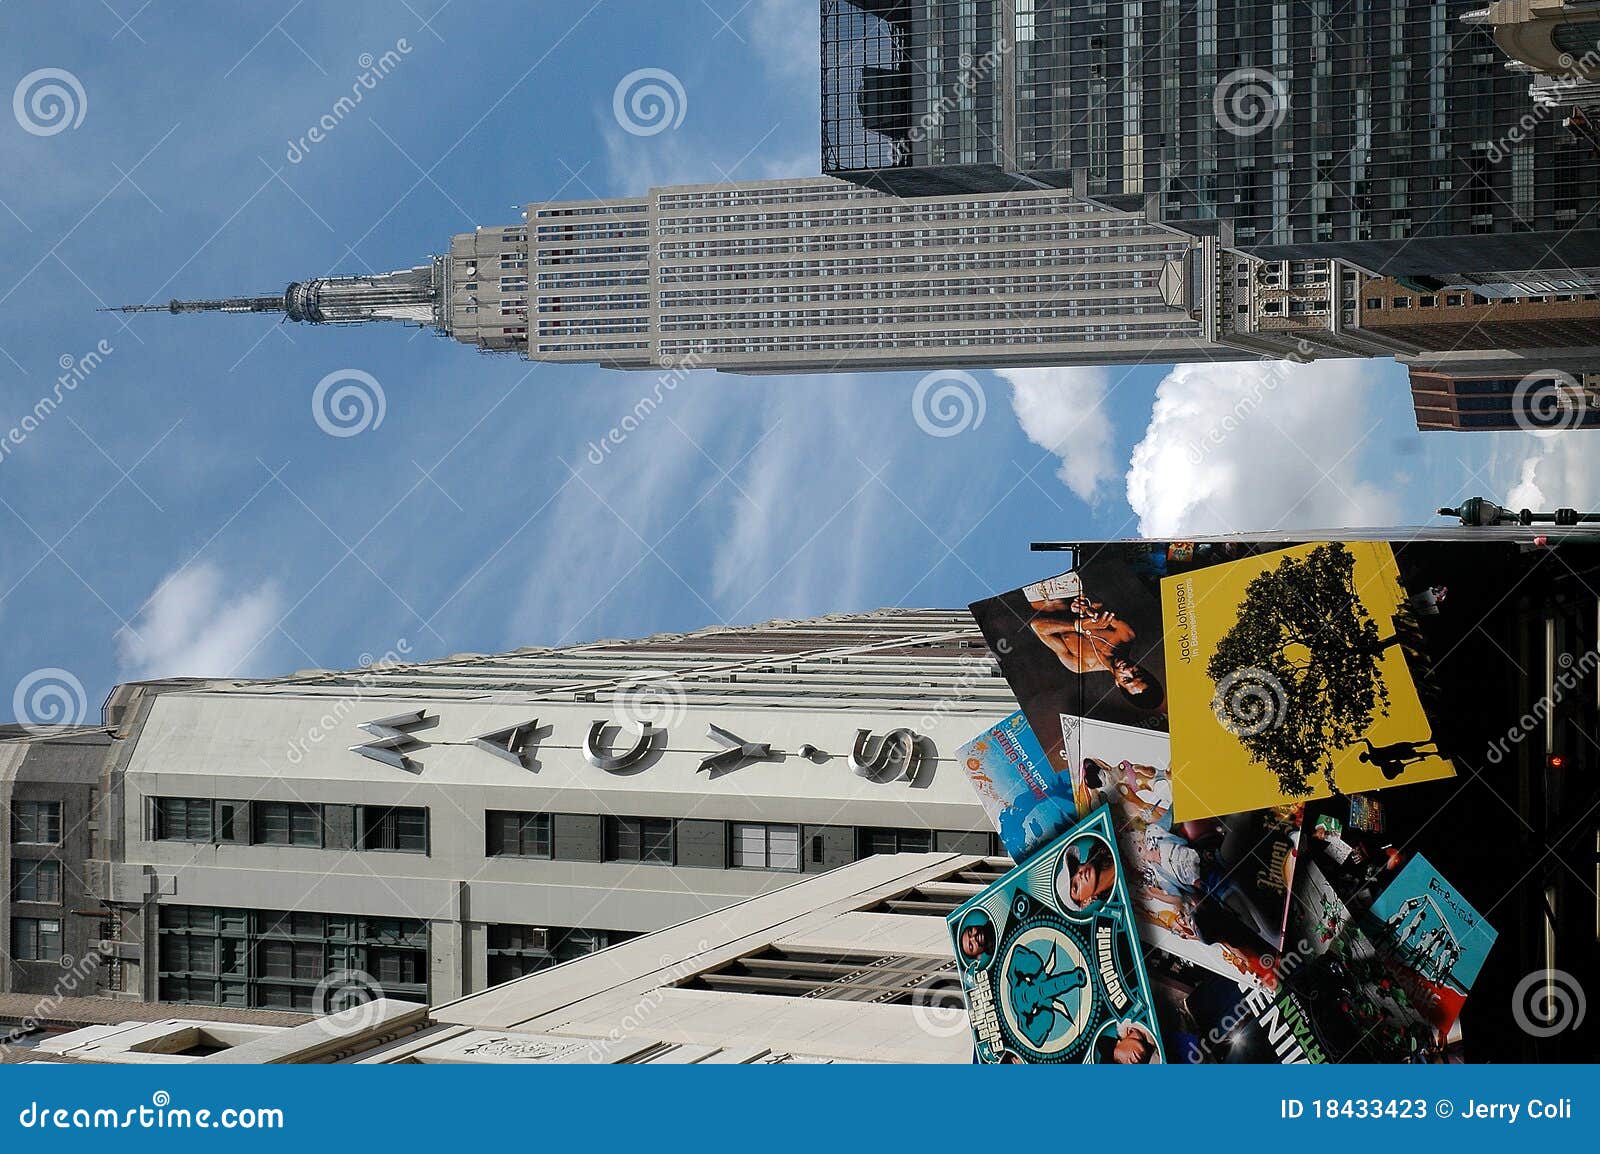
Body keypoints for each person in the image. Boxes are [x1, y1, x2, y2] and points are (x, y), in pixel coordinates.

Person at [1029, 601, 1165, 712]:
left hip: (1036, 600)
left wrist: (1077, 626)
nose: (1128, 670)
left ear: (1118, 683)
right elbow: (1098, 603)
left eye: (1127, 680)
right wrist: (1089, 607)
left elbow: (1037, 626)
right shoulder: (1125, 635)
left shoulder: (1080, 664)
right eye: (1137, 673)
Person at [1058, 838, 1117, 911]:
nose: (1079, 875)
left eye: (1075, 869)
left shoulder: (1104, 841)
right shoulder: (1120, 902)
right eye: (1076, 887)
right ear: (1085, 902)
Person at [1095, 1020, 1159, 1064]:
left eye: (1119, 1061)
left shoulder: (1126, 1014)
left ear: (1118, 1042)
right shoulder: (1160, 1056)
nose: (1130, 1063)